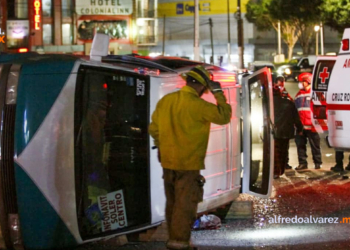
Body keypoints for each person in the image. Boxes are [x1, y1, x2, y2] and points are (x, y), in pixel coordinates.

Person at [148, 65, 231, 250]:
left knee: (173, 202)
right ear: (202, 87)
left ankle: (174, 238)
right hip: (189, 164)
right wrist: (218, 94)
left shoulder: (167, 101)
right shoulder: (199, 106)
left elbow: (153, 129)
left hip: (168, 162)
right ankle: (179, 243)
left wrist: (162, 146)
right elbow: (224, 116)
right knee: (185, 204)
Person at [273, 76, 303, 178]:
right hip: (286, 131)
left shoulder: (268, 104)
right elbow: (296, 118)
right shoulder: (289, 103)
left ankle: (276, 171)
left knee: (275, 152)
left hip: (274, 132)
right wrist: (300, 129)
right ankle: (281, 169)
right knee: (284, 151)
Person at [294, 73, 323, 170]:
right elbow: (295, 109)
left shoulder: (315, 94)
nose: (300, 83)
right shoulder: (298, 95)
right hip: (301, 126)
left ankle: (318, 163)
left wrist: (318, 123)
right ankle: (302, 163)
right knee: (300, 146)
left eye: (301, 81)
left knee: (315, 146)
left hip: (312, 126)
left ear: (307, 81)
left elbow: (321, 109)